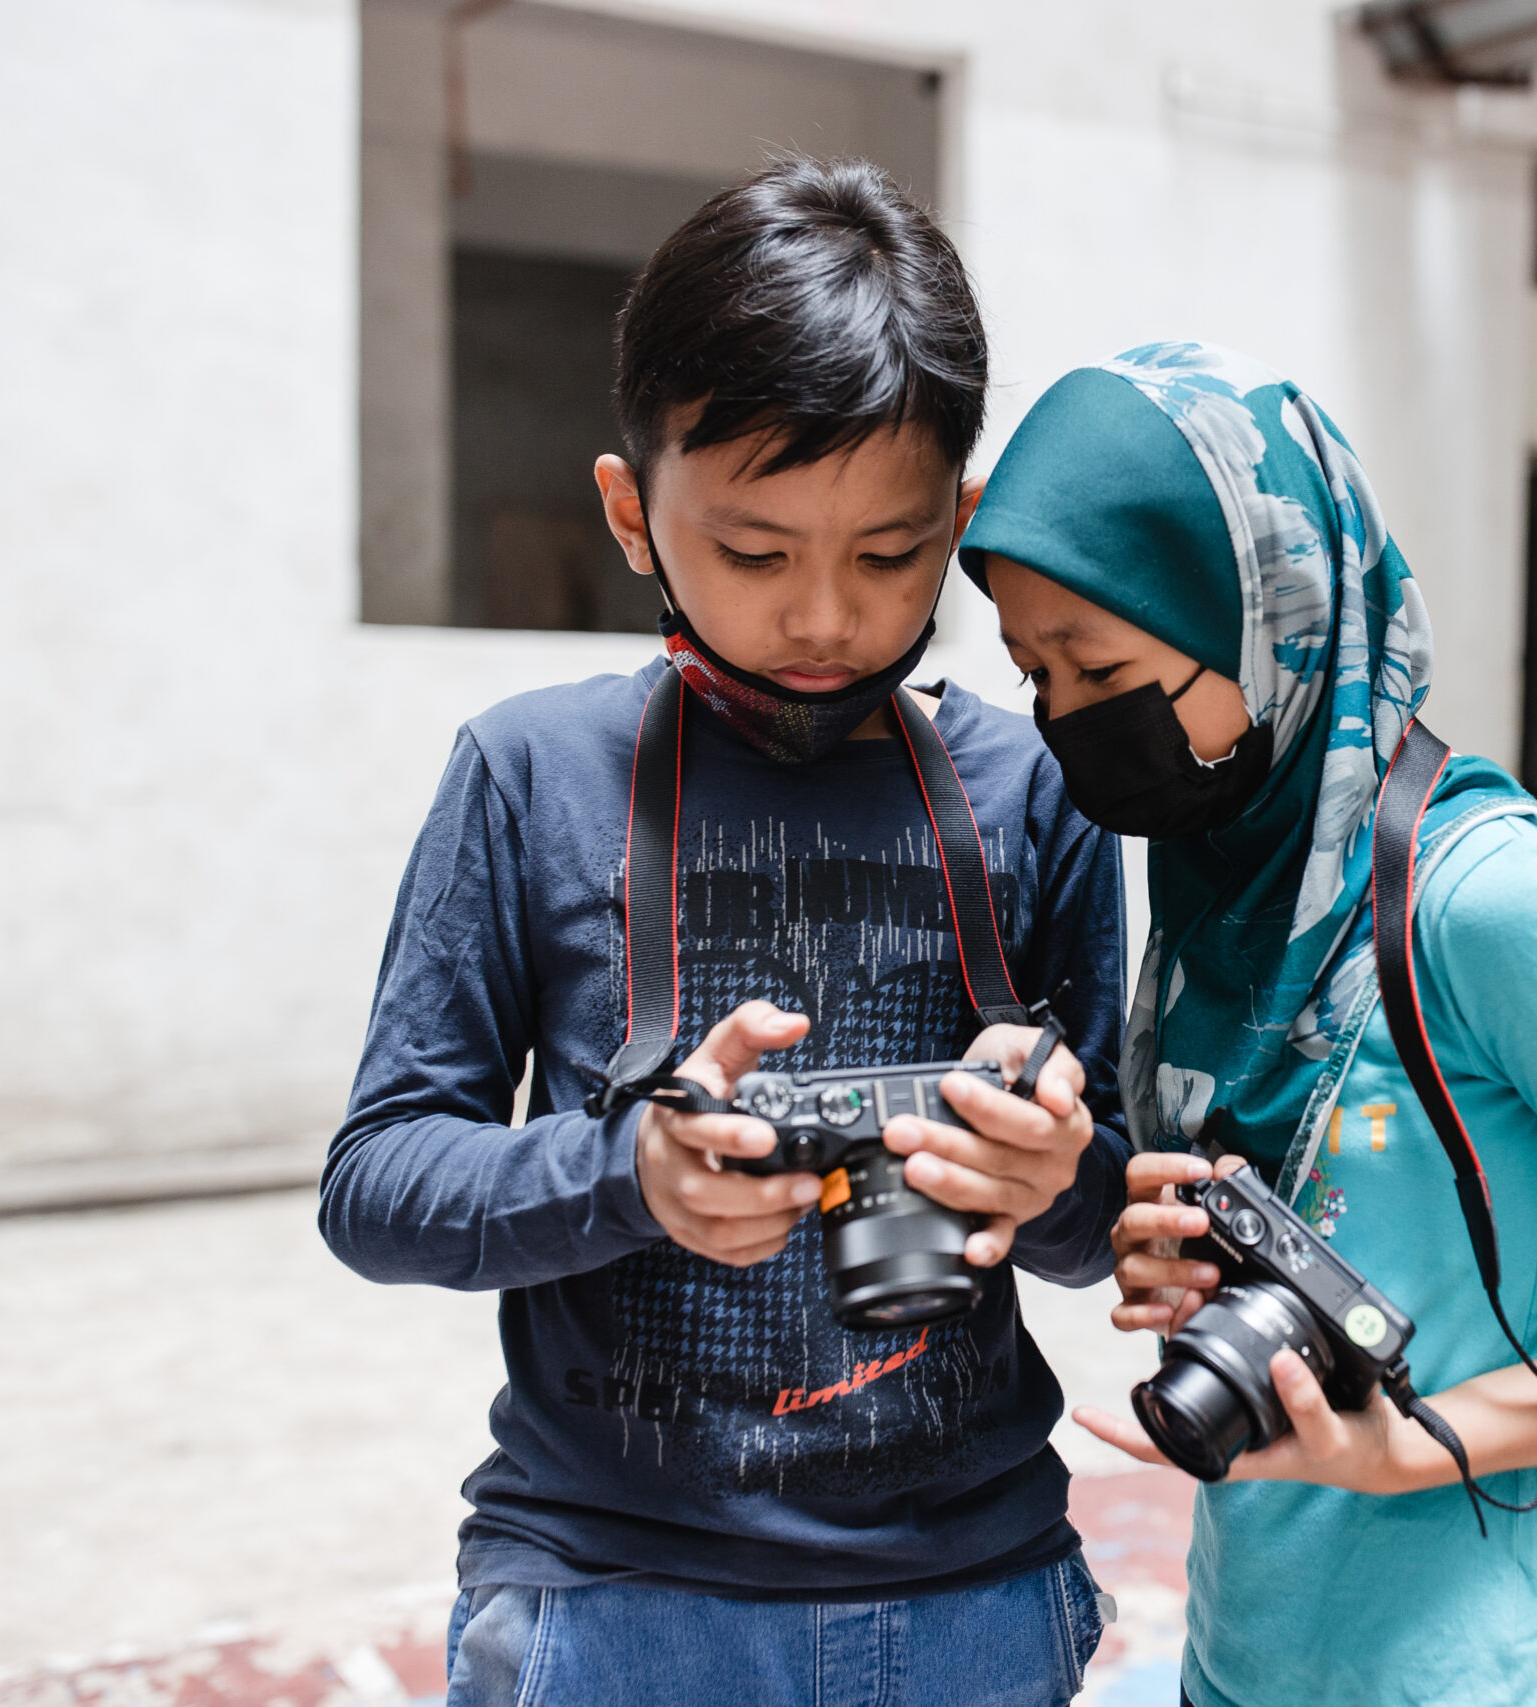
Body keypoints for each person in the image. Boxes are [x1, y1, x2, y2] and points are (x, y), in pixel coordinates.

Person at [321, 160, 1130, 1707]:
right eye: (756, 552)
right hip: (620, 1600)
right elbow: (378, 1182)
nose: (824, 614)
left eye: (890, 554)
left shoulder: (1037, 786)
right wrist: (629, 1172)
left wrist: (1053, 1178)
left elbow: (1111, 1221)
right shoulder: (529, 771)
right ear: (631, 511)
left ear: (961, 521)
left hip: (974, 1592)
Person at [957, 343, 1537, 1707]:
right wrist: (1165, 1243)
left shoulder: (1491, 902)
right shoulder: (1221, 890)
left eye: (1098, 666)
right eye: (1035, 674)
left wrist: (1411, 1445)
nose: (1068, 723)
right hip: (1250, 1656)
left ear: (1265, 613)